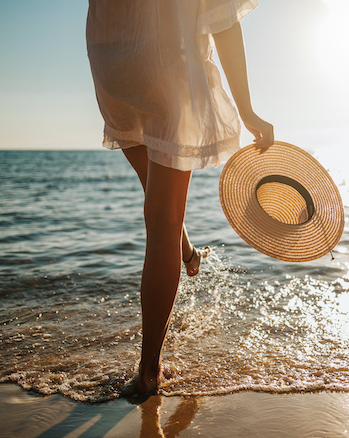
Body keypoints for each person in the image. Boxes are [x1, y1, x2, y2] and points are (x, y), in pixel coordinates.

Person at [86, 0, 273, 394]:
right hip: (165, 60)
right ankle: (150, 371)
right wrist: (247, 110)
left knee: (155, 197)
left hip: (112, 62)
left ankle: (186, 251)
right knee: (163, 222)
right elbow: (223, 17)